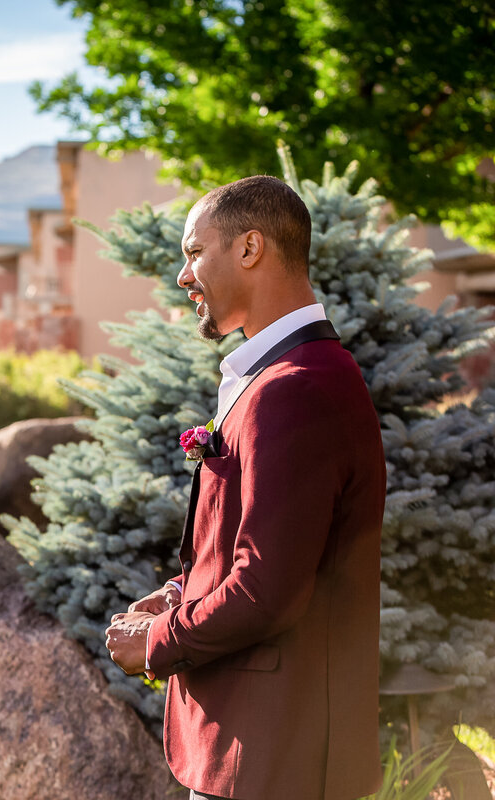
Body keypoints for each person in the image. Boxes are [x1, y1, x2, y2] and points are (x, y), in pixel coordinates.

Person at [104, 176, 386, 800]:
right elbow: (266, 544)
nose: (184, 276)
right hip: (256, 749)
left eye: (193, 252)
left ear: (250, 247)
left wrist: (155, 642)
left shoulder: (297, 387)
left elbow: (267, 591)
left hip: (271, 757)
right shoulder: (284, 375)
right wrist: (179, 591)